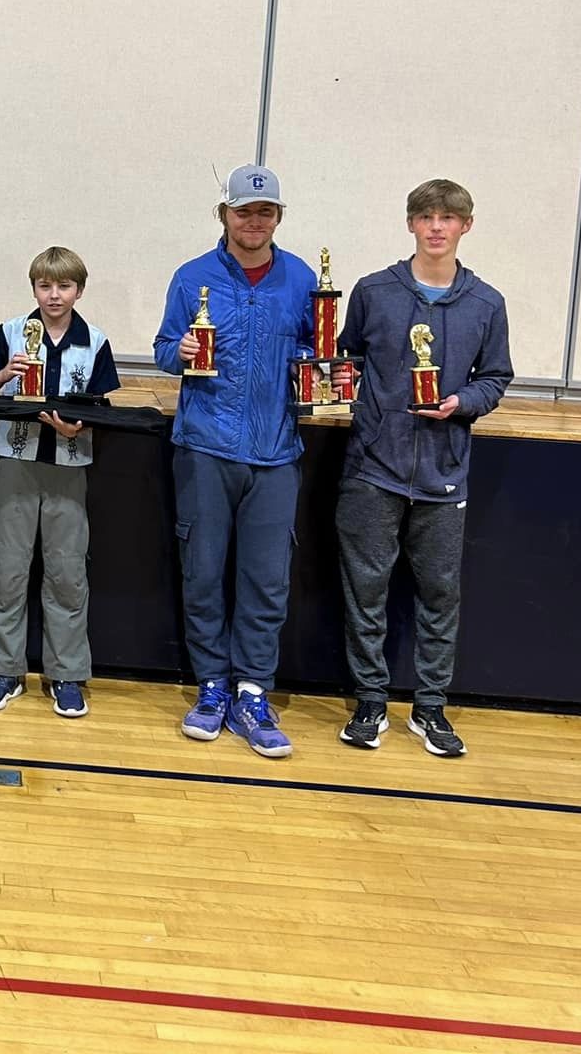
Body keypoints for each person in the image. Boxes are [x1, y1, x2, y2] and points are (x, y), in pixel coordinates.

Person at [334, 179, 512, 758]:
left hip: (443, 471)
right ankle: (369, 700)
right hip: (372, 467)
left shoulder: (486, 303)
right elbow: (346, 358)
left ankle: (430, 706)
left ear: (466, 226)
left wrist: (462, 402)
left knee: (440, 594)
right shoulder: (374, 291)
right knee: (365, 589)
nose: (437, 227)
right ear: (411, 223)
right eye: (427, 216)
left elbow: (496, 377)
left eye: (448, 218)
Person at [153, 165, 316, 757]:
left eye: (265, 211)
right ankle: (211, 688)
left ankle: (252, 692)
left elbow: (318, 349)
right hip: (205, 448)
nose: (254, 221)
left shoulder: (302, 280)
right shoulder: (191, 277)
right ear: (224, 214)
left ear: (278, 217)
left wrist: (317, 366)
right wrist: (180, 351)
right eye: (244, 210)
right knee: (202, 575)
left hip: (276, 454)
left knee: (266, 582)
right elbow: (164, 351)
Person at [0, 246, 121, 718]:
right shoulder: (12, 332)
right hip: (16, 461)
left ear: (79, 290)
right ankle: (3, 671)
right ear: (33, 288)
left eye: (64, 286)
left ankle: (67, 674)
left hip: (69, 466)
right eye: (45, 285)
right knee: (8, 570)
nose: (54, 295)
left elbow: (101, 411)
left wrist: (79, 427)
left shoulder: (94, 341)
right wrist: (2, 375)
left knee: (67, 573)